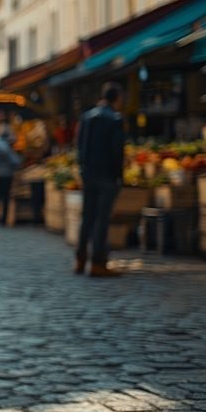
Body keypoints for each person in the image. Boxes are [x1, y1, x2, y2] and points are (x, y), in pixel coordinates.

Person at [75, 83, 126, 277]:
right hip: (106, 176)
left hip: (89, 174)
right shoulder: (115, 119)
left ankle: (80, 259)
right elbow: (116, 152)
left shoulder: (87, 117)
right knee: (101, 220)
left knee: (87, 217)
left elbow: (80, 146)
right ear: (117, 98)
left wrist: (83, 169)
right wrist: (118, 176)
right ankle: (97, 262)